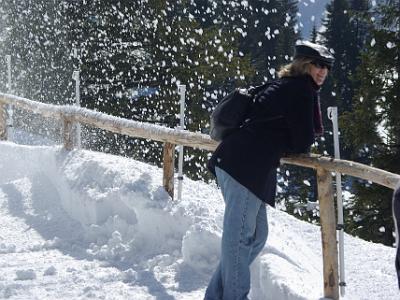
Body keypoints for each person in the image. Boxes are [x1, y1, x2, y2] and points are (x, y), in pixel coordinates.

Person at [205, 40, 335, 300]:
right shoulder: (301, 90)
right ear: (304, 65)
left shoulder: (288, 85)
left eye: (327, 66)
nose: (323, 71)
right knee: (240, 238)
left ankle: (217, 295)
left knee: (255, 237)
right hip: (244, 167)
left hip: (243, 165)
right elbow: (302, 141)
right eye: (318, 64)